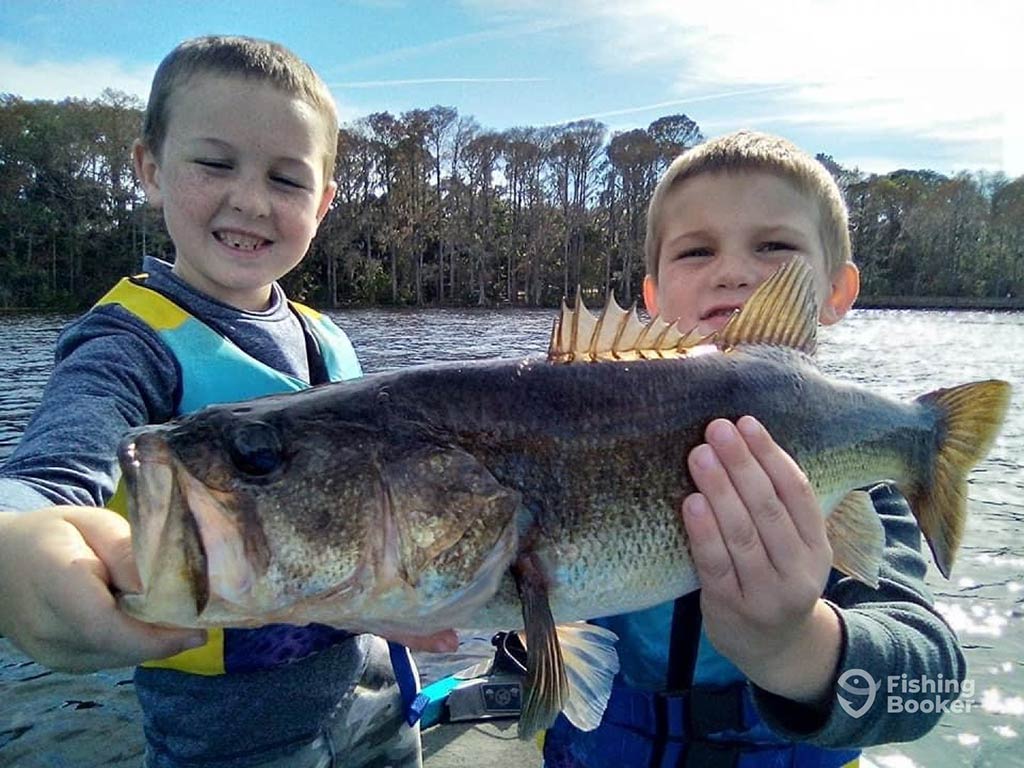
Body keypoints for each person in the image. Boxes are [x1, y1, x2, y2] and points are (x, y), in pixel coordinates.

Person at [0, 35, 454, 768]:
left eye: (287, 178)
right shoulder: (129, 344)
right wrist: (13, 541)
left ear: (325, 203)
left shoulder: (327, 339)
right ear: (149, 167)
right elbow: (54, 469)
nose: (250, 199)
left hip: (376, 696)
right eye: (215, 163)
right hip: (233, 737)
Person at [540, 131, 967, 767]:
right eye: (695, 251)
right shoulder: (569, 435)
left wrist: (793, 647)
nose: (733, 271)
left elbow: (927, 684)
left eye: (774, 246)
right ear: (651, 296)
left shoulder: (860, 481)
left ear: (835, 292)